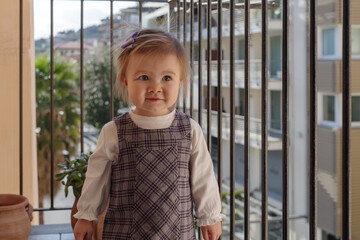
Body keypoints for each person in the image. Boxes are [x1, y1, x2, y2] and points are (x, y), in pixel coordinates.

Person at [73, 29, 225, 240]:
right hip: (124, 233)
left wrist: (209, 216)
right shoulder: (114, 131)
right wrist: (87, 215)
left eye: (166, 78)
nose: (155, 87)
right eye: (144, 77)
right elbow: (96, 177)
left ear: (180, 80)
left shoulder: (189, 129)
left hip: (178, 233)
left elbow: (204, 177)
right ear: (126, 81)